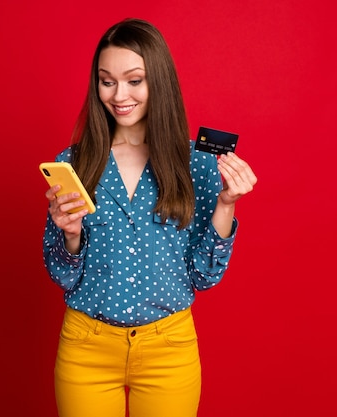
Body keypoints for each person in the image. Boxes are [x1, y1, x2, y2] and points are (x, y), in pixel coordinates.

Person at [42, 18, 257, 417]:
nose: (119, 94)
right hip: (86, 346)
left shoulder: (198, 164)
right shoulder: (71, 163)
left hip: (169, 348)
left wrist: (226, 204)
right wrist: (69, 235)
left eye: (134, 80)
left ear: (158, 80)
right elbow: (63, 275)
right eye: (107, 81)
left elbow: (203, 276)